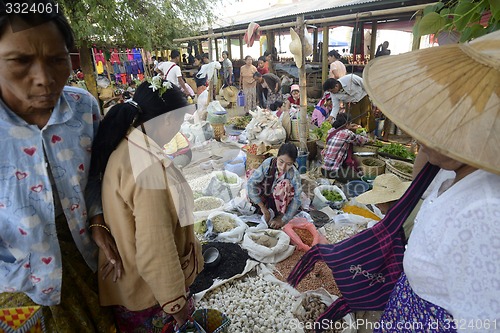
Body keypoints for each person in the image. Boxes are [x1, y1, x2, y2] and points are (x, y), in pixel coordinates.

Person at [363, 30, 500, 331]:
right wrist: (431, 146)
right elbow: (418, 184)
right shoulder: (453, 172)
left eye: (438, 123)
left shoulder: (484, 210)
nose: (418, 135)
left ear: (474, 134)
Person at [0, 5, 123, 332]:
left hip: (84, 254)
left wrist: (97, 218)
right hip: (15, 281)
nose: (43, 79)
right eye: (20, 61)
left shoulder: (84, 108)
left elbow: (97, 172)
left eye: (57, 60)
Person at [90, 78, 203, 332]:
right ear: (166, 121)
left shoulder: (129, 143)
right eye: (180, 122)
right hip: (151, 296)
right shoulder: (147, 169)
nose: (179, 130)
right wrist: (178, 307)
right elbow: (157, 247)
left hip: (132, 283)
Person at [247, 143, 302, 229]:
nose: (283, 167)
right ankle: (260, 207)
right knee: (252, 175)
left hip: (279, 202)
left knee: (285, 185)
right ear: (277, 157)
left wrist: (283, 219)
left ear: (293, 163)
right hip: (265, 195)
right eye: (281, 161)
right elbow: (251, 183)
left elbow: (297, 199)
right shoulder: (268, 163)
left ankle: (279, 214)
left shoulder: (294, 175)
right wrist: (263, 208)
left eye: (288, 164)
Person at [321, 113, 370, 182]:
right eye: (350, 123)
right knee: (360, 178)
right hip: (332, 172)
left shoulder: (331, 131)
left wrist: (349, 126)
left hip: (323, 169)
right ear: (347, 124)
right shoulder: (347, 133)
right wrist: (368, 137)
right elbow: (362, 140)